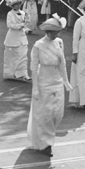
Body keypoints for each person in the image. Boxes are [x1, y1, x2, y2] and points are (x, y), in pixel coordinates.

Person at [27, 14, 72, 157]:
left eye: (58, 31)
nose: (56, 34)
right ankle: (46, 144)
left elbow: (62, 62)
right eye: (54, 32)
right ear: (48, 31)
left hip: (57, 81)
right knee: (45, 115)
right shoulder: (38, 45)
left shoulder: (59, 42)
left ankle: (47, 139)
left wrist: (66, 81)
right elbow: (34, 68)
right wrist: (35, 88)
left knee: (57, 113)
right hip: (43, 82)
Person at [3, 0, 31, 81]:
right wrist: (20, 26)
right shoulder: (10, 14)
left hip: (22, 37)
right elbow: (9, 25)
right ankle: (11, 74)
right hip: (12, 37)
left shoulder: (23, 13)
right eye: (16, 4)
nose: (18, 6)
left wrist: (27, 15)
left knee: (23, 56)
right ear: (13, 6)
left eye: (19, 4)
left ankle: (23, 75)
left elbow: (27, 23)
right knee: (12, 56)